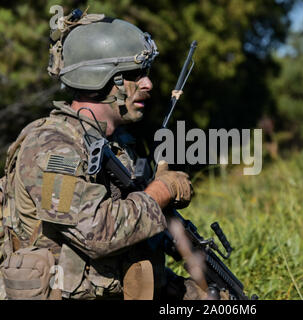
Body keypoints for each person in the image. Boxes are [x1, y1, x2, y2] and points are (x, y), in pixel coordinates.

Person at [0, 11, 209, 300]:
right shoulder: (51, 146)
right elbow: (96, 233)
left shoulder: (118, 143)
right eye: (135, 75)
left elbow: (133, 246)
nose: (147, 84)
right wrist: (161, 192)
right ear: (102, 78)